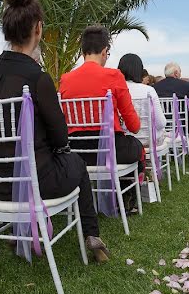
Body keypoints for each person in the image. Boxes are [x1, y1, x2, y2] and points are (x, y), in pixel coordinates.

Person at [0, 0, 108, 262]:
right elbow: (61, 138)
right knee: (78, 164)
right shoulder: (37, 78)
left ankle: (19, 233)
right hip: (37, 182)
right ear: (38, 28)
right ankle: (92, 236)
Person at [59, 25, 144, 212]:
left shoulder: (65, 79)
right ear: (105, 51)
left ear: (82, 52)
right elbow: (135, 126)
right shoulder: (114, 75)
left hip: (77, 152)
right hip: (109, 149)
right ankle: (128, 195)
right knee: (137, 147)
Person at [154, 62, 189, 161]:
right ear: (175, 73)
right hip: (182, 126)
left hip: (161, 126)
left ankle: (170, 151)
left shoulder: (155, 87)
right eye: (180, 73)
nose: (180, 75)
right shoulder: (186, 85)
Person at [119, 53, 168, 149]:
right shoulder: (149, 90)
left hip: (124, 143)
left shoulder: (115, 90)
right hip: (149, 142)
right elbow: (161, 123)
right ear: (139, 71)